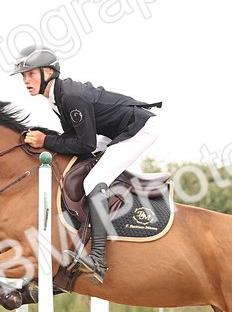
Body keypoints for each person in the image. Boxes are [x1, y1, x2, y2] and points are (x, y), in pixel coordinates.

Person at [10, 45, 162, 284]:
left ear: (48, 72)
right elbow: (77, 141)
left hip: (138, 128)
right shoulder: (56, 97)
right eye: (23, 76)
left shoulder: (70, 96)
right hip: (113, 131)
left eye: (30, 74)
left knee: (93, 180)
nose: (25, 81)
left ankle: (98, 259)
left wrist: (46, 140)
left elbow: (85, 143)